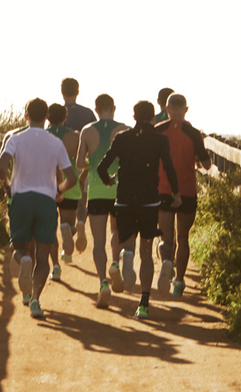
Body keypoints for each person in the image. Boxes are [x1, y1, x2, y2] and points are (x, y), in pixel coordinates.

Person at [97, 100, 179, 319]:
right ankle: (143, 303)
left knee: (128, 242)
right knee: (147, 251)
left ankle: (126, 257)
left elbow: (101, 167)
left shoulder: (122, 138)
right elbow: (169, 167)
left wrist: (108, 181)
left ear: (133, 118)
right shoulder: (160, 140)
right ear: (153, 118)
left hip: (124, 199)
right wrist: (176, 194)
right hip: (149, 200)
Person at [0, 98, 77, 319]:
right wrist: (59, 190)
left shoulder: (16, 139)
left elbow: (0, 165)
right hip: (46, 201)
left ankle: (22, 259)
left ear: (26, 115)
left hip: (21, 198)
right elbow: (71, 177)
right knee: (43, 257)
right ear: (47, 118)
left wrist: (7, 186)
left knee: (21, 247)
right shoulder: (55, 142)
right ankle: (35, 300)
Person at [76, 93, 129, 308]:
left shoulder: (87, 131)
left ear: (96, 110)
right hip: (120, 190)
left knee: (98, 241)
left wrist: (94, 161)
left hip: (97, 189)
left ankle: (103, 283)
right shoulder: (124, 129)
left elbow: (80, 163)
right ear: (114, 108)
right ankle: (115, 263)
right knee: (117, 232)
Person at [155, 93, 211, 296]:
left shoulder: (158, 130)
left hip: (162, 190)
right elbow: (206, 164)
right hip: (187, 191)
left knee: (165, 237)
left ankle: (167, 264)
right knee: (183, 238)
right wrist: (195, 160)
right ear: (186, 110)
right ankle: (179, 282)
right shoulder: (194, 133)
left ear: (167, 110)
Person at [61, 78, 96, 251]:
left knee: (62, 203)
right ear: (78, 91)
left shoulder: (56, 112)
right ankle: (80, 222)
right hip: (83, 163)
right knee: (82, 200)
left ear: (62, 91)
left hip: (61, 165)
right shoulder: (87, 113)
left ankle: (68, 230)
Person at [46, 102, 82, 272]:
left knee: (50, 230)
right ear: (65, 118)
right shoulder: (75, 136)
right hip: (69, 184)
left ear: (47, 118)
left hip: (47, 186)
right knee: (68, 223)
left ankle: (55, 266)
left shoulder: (43, 136)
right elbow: (83, 160)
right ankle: (69, 229)